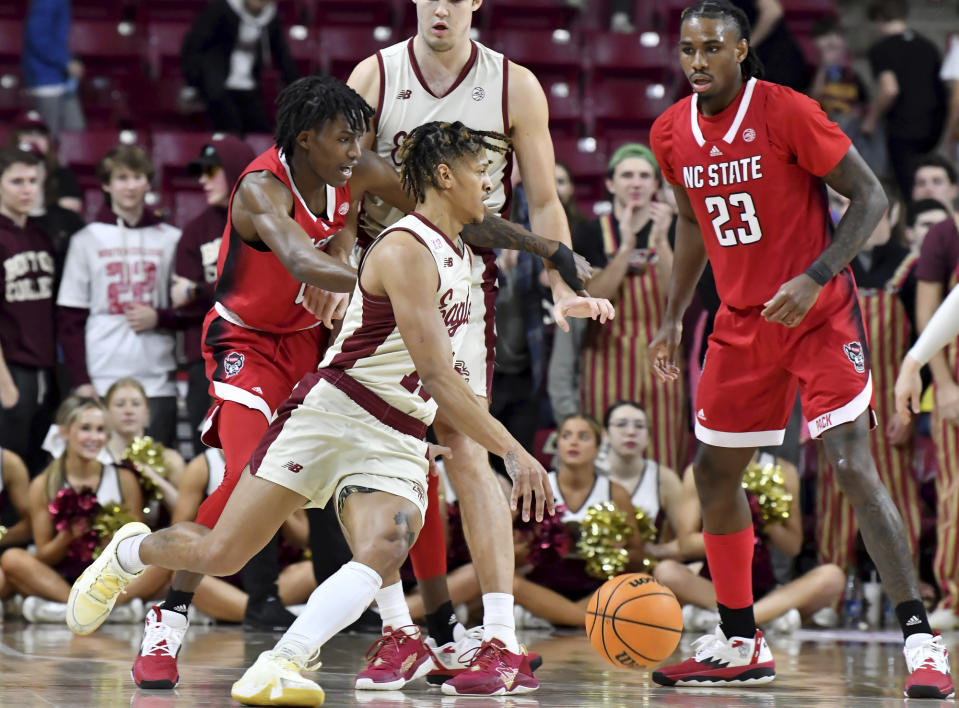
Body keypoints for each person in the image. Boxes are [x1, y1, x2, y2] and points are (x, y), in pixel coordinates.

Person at [66, 121, 555, 706]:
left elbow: (437, 381)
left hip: (395, 430)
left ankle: (283, 661)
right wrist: (515, 450)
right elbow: (438, 378)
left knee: (388, 541)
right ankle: (129, 553)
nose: (492, 187)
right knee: (224, 553)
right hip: (335, 415)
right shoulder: (405, 249)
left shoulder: (462, 255)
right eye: (482, 174)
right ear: (446, 177)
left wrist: (555, 251)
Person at [647, 1, 951, 697]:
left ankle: (919, 642)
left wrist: (816, 277)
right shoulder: (670, 133)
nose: (697, 61)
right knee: (712, 476)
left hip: (818, 313)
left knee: (849, 463)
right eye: (687, 49)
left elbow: (873, 200)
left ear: (741, 48)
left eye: (711, 48)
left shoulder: (785, 110)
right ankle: (738, 639)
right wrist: (670, 316)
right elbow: (691, 227)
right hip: (740, 321)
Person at [344, 4, 613, 690]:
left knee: (465, 444)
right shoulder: (375, 77)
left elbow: (544, 202)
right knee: (370, 456)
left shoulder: (513, 85)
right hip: (379, 273)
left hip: (465, 276)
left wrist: (559, 285)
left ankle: (499, 638)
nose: (440, 6)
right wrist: (332, 270)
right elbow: (337, 186)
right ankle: (397, 631)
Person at [55, 146, 181, 447]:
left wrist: (159, 317)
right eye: (121, 177)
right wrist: (82, 381)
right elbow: (70, 318)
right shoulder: (86, 240)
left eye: (137, 177)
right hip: (103, 373)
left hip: (157, 375)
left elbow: (192, 309)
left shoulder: (171, 238)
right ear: (106, 185)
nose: (130, 185)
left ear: (148, 183)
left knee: (158, 468)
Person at [574, 143, 686, 471]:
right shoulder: (590, 232)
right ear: (610, 184)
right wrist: (625, 249)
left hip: (663, 356)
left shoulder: (678, 229)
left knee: (665, 447)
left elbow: (675, 295)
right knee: (606, 451)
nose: (635, 183)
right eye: (626, 175)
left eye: (643, 176)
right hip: (606, 357)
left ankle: (665, 521)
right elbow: (594, 297)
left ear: (655, 184)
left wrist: (662, 240)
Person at [656, 452, 844, 634]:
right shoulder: (700, 469)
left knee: (832, 576)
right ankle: (766, 618)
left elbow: (793, 546)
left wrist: (764, 519)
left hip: (766, 590)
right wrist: (734, 534)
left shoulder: (783, 470)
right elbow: (686, 545)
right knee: (666, 572)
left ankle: (738, 617)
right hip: (714, 587)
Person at [0, 398, 148, 624]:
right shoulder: (44, 483)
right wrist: (67, 537)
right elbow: (45, 555)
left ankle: (67, 611)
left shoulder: (124, 479)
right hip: (61, 577)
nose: (94, 437)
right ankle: (95, 610)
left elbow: (138, 547)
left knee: (164, 564)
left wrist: (110, 541)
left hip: (112, 579)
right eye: (85, 429)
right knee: (12, 559)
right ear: (65, 432)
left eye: (100, 430)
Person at [168, 136, 256, 454]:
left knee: (251, 451)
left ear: (234, 171)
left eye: (211, 171)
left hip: (256, 355)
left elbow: (258, 290)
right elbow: (181, 305)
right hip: (203, 358)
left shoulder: (264, 222)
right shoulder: (194, 230)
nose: (203, 181)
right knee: (205, 453)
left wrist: (198, 291)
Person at [0, 148, 58, 476]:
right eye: (16, 181)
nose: (27, 189)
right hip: (11, 371)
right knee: (8, 474)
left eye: (33, 181)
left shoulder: (40, 236)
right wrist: (4, 384)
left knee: (36, 470)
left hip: (44, 372)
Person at [863, 0, 946, 199]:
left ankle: (912, 226)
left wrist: (870, 121)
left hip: (903, 128)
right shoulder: (928, 46)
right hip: (932, 128)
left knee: (907, 189)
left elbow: (889, 89)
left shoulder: (882, 49)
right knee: (927, 183)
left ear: (879, 18)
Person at [181, 0, 299, 134]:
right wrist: (192, 83)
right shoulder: (220, 9)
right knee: (230, 126)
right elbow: (194, 47)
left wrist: (297, 89)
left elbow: (283, 56)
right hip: (218, 86)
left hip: (249, 86)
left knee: (261, 131)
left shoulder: (271, 17)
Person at [602, 401, 686, 561]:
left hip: (645, 574)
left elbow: (686, 540)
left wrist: (651, 552)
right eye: (621, 424)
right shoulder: (589, 473)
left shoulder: (664, 478)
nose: (631, 432)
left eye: (640, 426)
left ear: (648, 437)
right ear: (605, 434)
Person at [103, 378, 186, 527]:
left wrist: (155, 479)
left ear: (147, 412)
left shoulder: (169, 458)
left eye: (136, 404)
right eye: (120, 404)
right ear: (107, 412)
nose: (128, 411)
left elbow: (188, 514)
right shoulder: (97, 459)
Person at [22, 0, 85, 137]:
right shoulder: (46, 2)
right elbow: (37, 38)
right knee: (49, 137)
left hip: (63, 80)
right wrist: (66, 62)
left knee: (75, 132)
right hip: (46, 79)